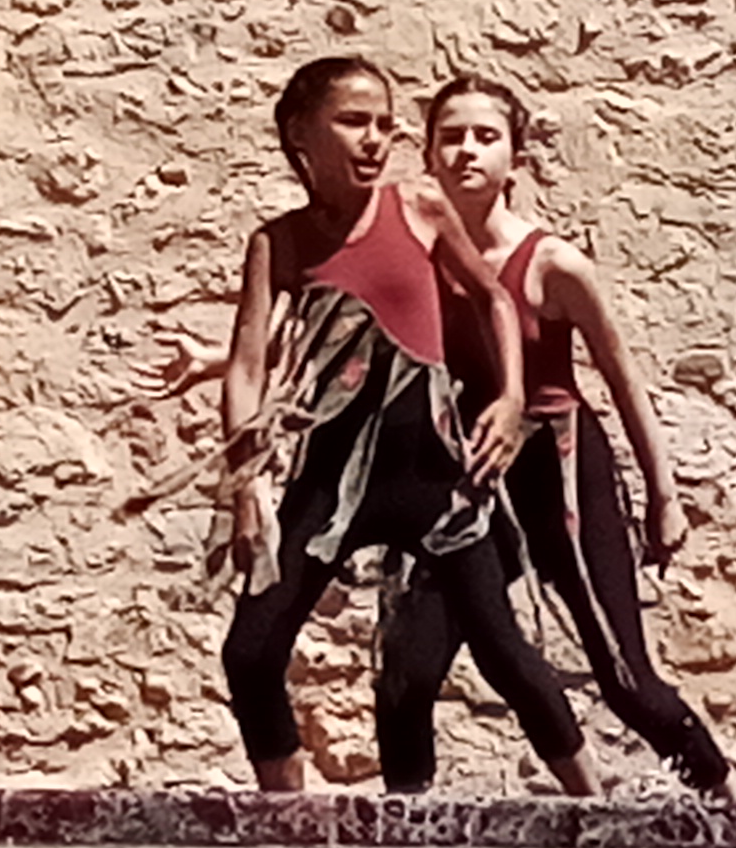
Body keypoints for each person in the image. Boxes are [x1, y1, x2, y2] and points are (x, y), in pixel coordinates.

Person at [217, 56, 594, 797]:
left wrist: (511, 399)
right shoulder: (280, 242)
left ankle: (598, 808)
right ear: (301, 135)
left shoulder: (419, 206)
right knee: (251, 652)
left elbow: (492, 300)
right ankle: (285, 814)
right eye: (353, 122)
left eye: (385, 125)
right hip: (332, 484)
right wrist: (245, 485)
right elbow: (244, 367)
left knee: (505, 654)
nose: (374, 140)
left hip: (437, 480)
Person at [392, 76, 733, 795]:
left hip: (558, 465)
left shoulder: (553, 265)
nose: (466, 152)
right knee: (408, 668)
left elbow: (621, 375)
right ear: (427, 152)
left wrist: (663, 496)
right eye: (450, 137)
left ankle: (725, 800)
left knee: (624, 677)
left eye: (485, 137)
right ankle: (403, 835)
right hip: (470, 475)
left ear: (515, 158)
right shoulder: (415, 258)